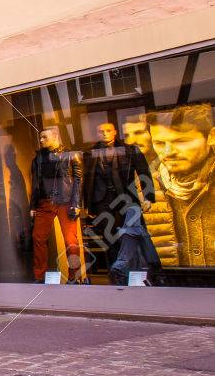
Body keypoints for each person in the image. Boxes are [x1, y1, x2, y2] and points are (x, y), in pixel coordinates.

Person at [144, 104, 215, 268]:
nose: (168, 152)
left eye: (181, 141)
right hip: (171, 287)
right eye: (160, 143)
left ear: (211, 137)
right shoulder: (144, 187)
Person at [83, 122, 154, 270]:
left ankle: (139, 272)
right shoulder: (90, 154)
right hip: (102, 201)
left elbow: (143, 173)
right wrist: (88, 205)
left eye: (108, 130)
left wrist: (147, 197)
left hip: (127, 199)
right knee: (110, 239)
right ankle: (117, 273)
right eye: (100, 131)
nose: (104, 133)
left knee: (134, 235)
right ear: (97, 134)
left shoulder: (129, 150)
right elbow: (87, 181)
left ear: (115, 132)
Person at [29, 126, 84, 283]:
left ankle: (75, 276)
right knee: (38, 237)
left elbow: (78, 180)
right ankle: (39, 276)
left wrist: (76, 203)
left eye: (44, 137)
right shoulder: (38, 159)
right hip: (45, 202)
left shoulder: (71, 155)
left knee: (71, 241)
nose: (41, 140)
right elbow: (35, 183)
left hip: (65, 201)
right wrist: (33, 205)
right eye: (40, 137)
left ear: (55, 137)